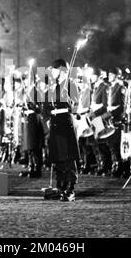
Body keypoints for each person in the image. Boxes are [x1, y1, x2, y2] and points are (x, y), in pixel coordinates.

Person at [43, 59, 80, 202]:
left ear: (62, 70)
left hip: (66, 121)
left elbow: (76, 104)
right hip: (55, 122)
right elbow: (45, 105)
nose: (52, 72)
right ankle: (61, 185)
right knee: (57, 155)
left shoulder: (71, 85)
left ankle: (70, 188)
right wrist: (47, 116)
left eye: (54, 69)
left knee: (68, 156)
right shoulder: (52, 86)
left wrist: (68, 99)